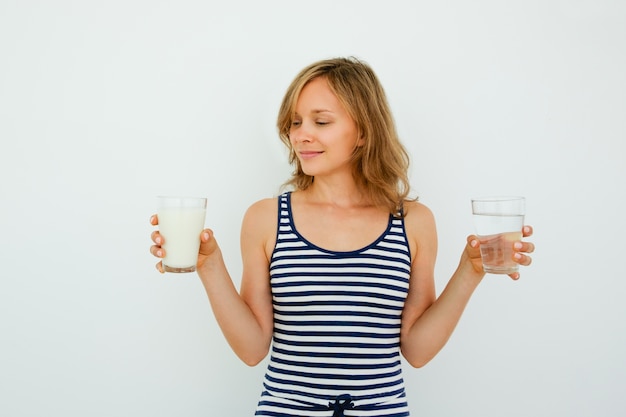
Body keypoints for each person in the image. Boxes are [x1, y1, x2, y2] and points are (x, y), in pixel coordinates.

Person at [149, 56, 535, 417]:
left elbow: (416, 351)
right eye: (296, 122)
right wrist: (209, 265)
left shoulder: (412, 221)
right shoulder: (267, 218)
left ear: (364, 132)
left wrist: (471, 271)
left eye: (321, 121)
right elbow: (252, 350)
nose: (301, 135)